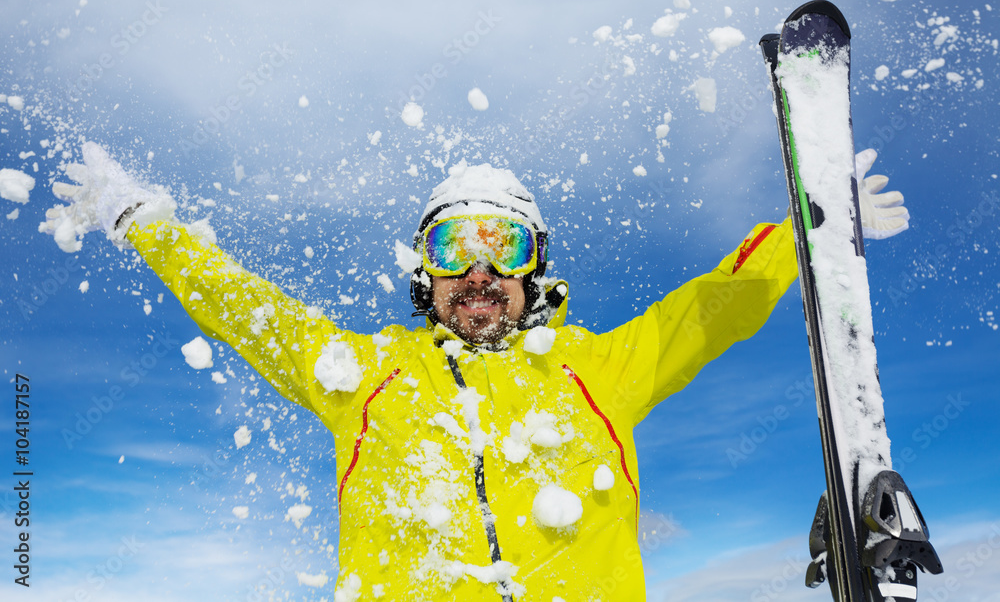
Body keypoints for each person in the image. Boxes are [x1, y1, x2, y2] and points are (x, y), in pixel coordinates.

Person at [41, 142, 907, 601]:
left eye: (506, 245)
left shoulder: (601, 368)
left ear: (536, 269)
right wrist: (145, 222)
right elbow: (243, 307)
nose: (481, 271)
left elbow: (712, 306)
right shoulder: (362, 373)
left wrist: (809, 234)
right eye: (456, 246)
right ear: (427, 271)